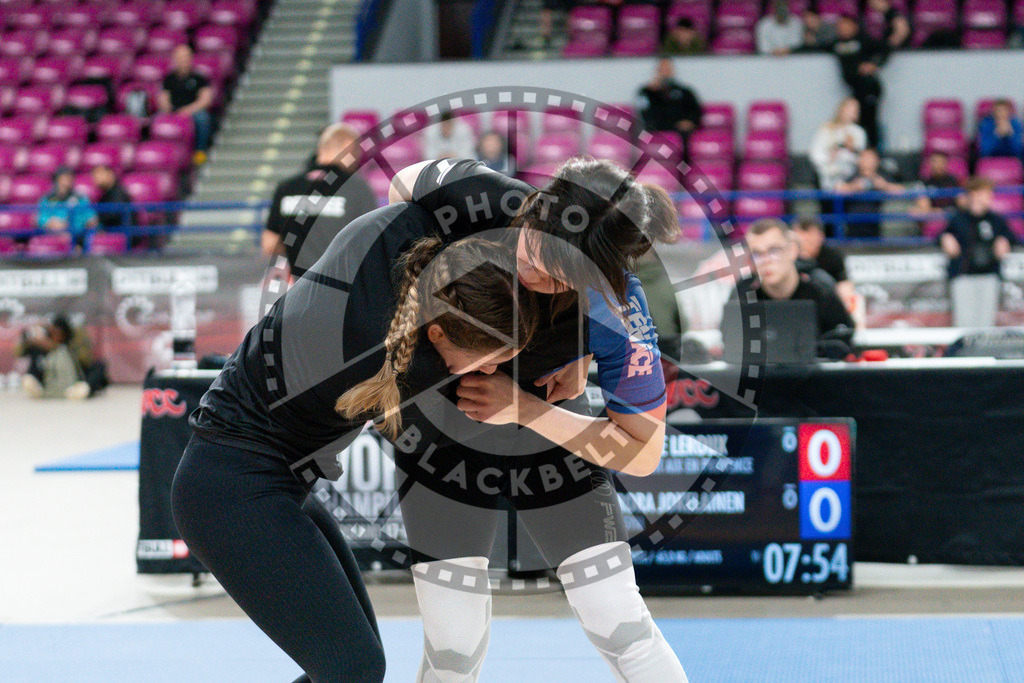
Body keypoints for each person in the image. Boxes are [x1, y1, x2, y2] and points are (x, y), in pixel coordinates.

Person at [173, 201, 539, 682]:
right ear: (438, 334)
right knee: (353, 669)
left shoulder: (394, 282)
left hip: (269, 482)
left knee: (352, 669)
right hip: (228, 491)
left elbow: (426, 192)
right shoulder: (395, 362)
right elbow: (466, 452)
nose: (488, 372)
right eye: (484, 359)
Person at [389, 157, 688, 682]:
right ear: (533, 208)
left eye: (556, 279)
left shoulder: (615, 306)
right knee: (454, 646)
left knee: (621, 624)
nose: (533, 274)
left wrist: (530, 410)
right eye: (535, 250)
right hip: (439, 437)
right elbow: (401, 183)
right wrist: (408, 289)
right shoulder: (480, 198)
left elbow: (644, 454)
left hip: (550, 427)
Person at [262, 123, 378, 276]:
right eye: (357, 151)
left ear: (321, 149)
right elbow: (373, 243)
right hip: (343, 289)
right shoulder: (358, 189)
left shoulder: (287, 188)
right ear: (347, 147)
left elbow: (269, 244)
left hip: (301, 290)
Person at [736, 219, 855, 339]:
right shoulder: (744, 292)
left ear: (792, 250)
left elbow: (845, 336)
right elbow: (731, 340)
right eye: (756, 254)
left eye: (773, 251)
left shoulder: (819, 287)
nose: (766, 260)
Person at [940, 176, 1015, 327]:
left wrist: (1005, 241)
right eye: (984, 193)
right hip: (963, 277)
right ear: (973, 194)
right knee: (963, 323)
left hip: (989, 276)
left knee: (986, 325)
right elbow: (942, 236)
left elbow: (1010, 237)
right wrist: (945, 238)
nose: (989, 198)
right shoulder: (958, 219)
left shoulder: (996, 220)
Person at [831, 13, 889, 148]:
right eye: (840, 25)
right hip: (856, 89)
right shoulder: (836, 43)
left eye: (846, 25)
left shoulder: (863, 40)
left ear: (854, 26)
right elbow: (817, 47)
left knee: (870, 120)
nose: (842, 28)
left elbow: (885, 48)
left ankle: (875, 152)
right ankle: (862, 153)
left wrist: (874, 64)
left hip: (869, 86)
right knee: (857, 121)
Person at [18, 315, 107, 399]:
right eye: (53, 333)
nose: (56, 336)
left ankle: (84, 388)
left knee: (99, 366)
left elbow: (86, 359)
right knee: (36, 356)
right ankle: (37, 386)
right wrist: (34, 338)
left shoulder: (74, 343)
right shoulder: (42, 346)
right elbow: (19, 352)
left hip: (74, 382)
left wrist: (55, 346)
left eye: (59, 333)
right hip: (48, 384)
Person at [159, 44, 214, 159]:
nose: (182, 60)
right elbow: (163, 97)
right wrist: (167, 108)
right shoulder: (169, 79)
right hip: (174, 111)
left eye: (185, 57)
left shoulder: (199, 78)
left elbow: (206, 99)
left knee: (202, 118)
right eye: (179, 58)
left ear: (191, 58)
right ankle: (163, 152)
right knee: (158, 119)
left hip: (193, 111)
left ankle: (200, 151)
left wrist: (188, 110)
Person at [793, 217, 858, 313]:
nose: (805, 245)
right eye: (802, 242)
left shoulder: (832, 256)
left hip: (828, 301)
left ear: (821, 237)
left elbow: (844, 283)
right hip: (798, 303)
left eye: (810, 241)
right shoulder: (790, 258)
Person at [835, 148, 904, 238]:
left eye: (871, 158)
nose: (868, 161)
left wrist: (885, 186)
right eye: (865, 157)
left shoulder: (882, 176)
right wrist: (854, 187)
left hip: (877, 225)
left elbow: (902, 190)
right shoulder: (854, 176)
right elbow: (838, 190)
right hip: (854, 225)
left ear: (877, 161)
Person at [810, 97, 868, 193]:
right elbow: (815, 153)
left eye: (856, 109)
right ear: (842, 108)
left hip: (851, 174)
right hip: (827, 173)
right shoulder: (826, 129)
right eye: (850, 108)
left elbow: (862, 157)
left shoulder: (859, 132)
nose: (854, 112)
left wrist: (851, 149)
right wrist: (829, 157)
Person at [636, 57, 702, 142]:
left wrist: (689, 122)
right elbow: (646, 117)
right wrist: (652, 93)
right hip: (657, 132)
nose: (665, 73)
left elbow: (695, 111)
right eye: (662, 69)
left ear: (672, 71)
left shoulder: (685, 92)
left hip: (682, 133)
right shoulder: (646, 92)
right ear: (657, 71)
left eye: (668, 69)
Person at [36, 167, 98, 249]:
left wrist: (74, 225)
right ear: (56, 181)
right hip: (52, 235)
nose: (65, 183)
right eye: (62, 180)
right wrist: (50, 223)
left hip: (76, 236)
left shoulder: (81, 199)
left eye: (68, 180)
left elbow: (91, 218)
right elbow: (40, 219)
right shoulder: (47, 199)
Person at [91, 164, 134, 231]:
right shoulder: (104, 195)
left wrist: (97, 221)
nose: (97, 179)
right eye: (94, 176)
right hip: (110, 231)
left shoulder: (119, 193)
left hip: (121, 233)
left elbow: (113, 214)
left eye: (100, 174)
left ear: (110, 174)